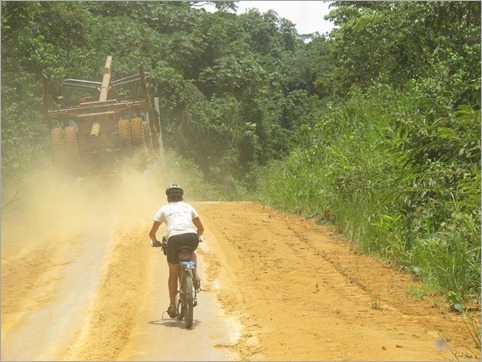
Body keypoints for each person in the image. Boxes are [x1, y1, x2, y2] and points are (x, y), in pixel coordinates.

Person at [149, 184, 204, 318]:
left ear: (168, 197)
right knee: (192, 254)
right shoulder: (188, 207)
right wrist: (197, 236)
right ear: (181, 196)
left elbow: (152, 233)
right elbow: (201, 229)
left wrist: (155, 241)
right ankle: (195, 276)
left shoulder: (164, 209)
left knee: (173, 273)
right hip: (191, 236)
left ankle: (172, 305)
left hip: (174, 239)